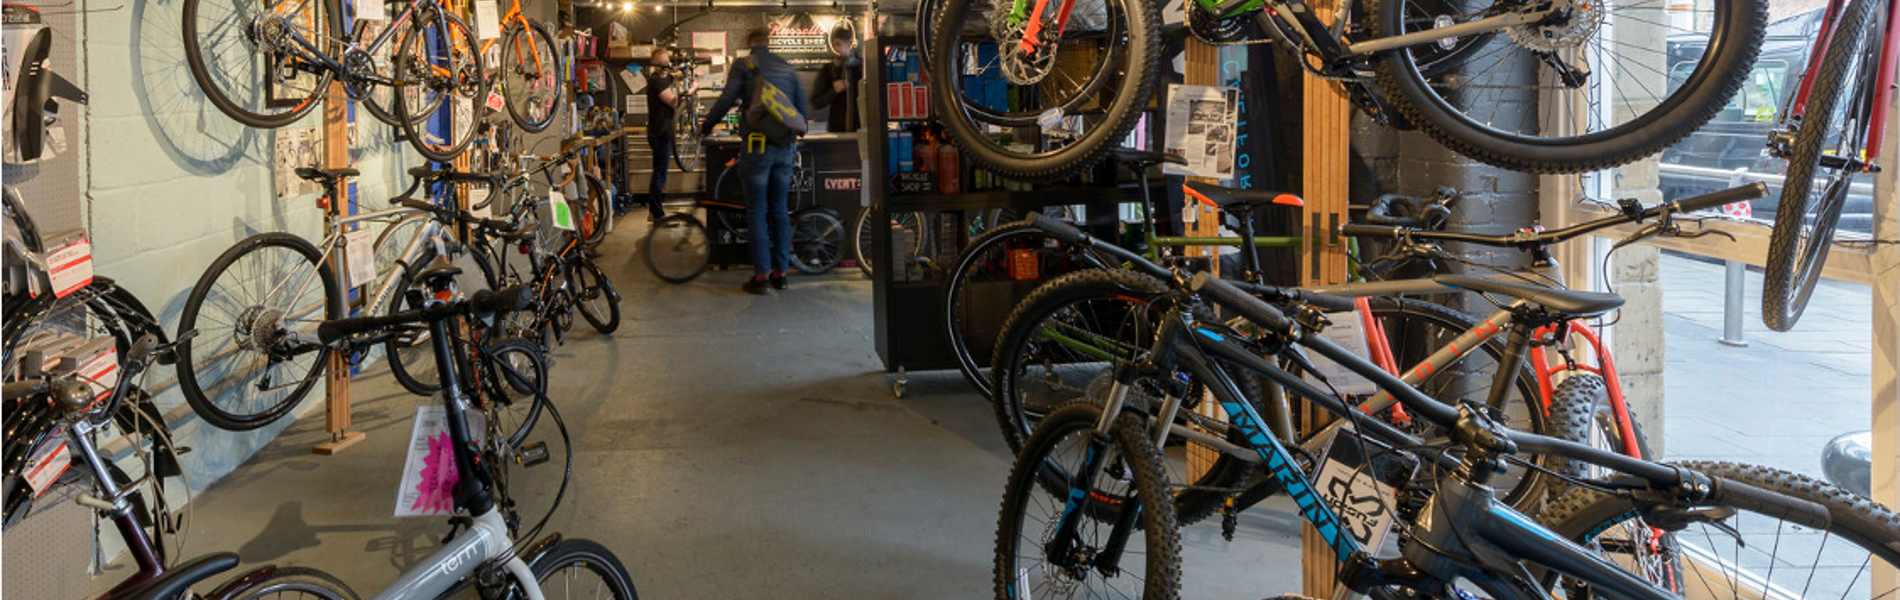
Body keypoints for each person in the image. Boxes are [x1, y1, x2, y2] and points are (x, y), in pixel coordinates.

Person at [700, 28, 810, 294]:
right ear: (768, 42)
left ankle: (761, 277)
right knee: (780, 210)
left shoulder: (745, 64)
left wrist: (707, 126)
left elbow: (727, 99)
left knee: (757, 211)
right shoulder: (787, 67)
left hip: (757, 149)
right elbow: (803, 112)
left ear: (750, 42)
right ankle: (781, 275)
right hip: (784, 149)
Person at [643, 47, 685, 222]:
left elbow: (671, 77)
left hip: (661, 131)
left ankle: (653, 211)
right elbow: (674, 102)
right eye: (663, 62)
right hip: (660, 132)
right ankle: (657, 212)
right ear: (655, 64)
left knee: (659, 172)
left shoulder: (662, 78)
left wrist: (681, 75)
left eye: (667, 61)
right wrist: (691, 90)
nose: (666, 65)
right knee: (660, 174)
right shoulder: (655, 81)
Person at [810, 26, 861, 133]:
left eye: (839, 44)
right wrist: (834, 92)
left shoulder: (862, 67)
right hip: (837, 129)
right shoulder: (829, 70)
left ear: (849, 43)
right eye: (834, 45)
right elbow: (816, 102)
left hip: (861, 127)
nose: (836, 49)